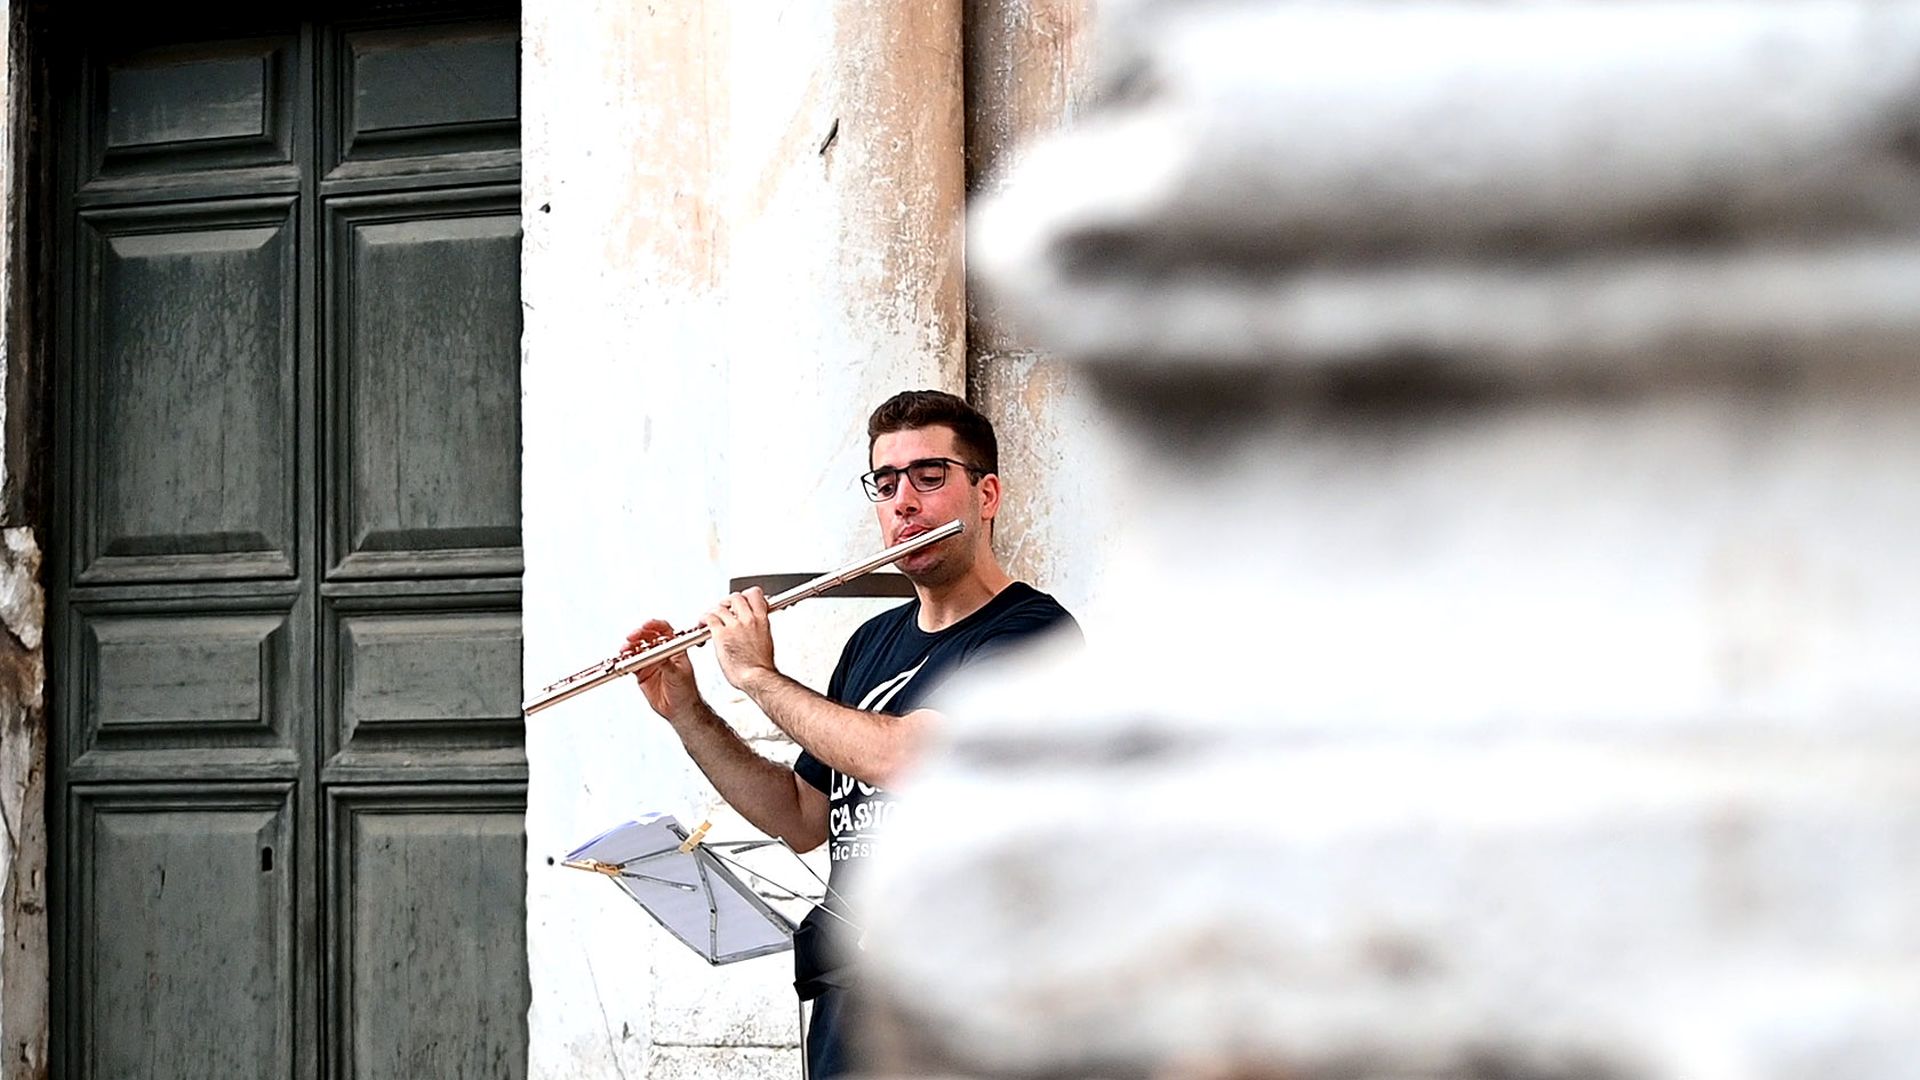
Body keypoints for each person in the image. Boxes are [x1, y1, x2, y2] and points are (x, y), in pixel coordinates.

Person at [626, 389, 1081, 1078]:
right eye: (886, 482)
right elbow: (802, 815)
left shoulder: (1031, 634)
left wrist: (756, 676)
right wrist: (687, 708)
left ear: (986, 495)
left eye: (930, 478)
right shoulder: (871, 644)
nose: (903, 502)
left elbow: (908, 756)